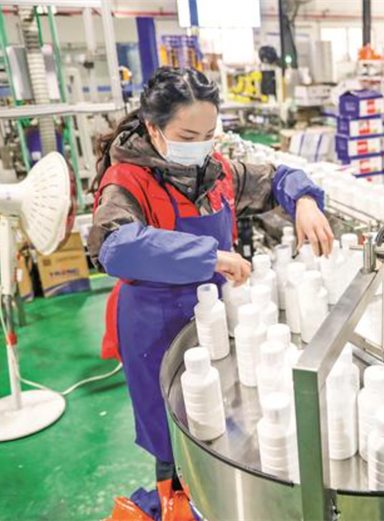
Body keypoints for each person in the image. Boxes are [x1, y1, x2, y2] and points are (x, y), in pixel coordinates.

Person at [90, 67, 333, 521]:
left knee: (218, 423)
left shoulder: (216, 171)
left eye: (208, 134)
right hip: (155, 327)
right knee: (174, 432)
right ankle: (175, 498)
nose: (200, 146)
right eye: (188, 136)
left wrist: (303, 199)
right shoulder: (127, 180)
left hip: (212, 318)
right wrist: (209, 256)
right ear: (154, 128)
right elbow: (115, 247)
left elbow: (277, 178)